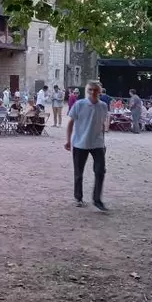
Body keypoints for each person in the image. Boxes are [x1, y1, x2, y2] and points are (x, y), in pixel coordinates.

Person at [65, 81, 109, 212]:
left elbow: (101, 125)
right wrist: (68, 140)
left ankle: (97, 199)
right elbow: (70, 123)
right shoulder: (79, 104)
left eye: (95, 90)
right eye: (90, 89)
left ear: (99, 91)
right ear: (87, 90)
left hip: (97, 144)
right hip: (80, 143)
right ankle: (78, 197)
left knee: (100, 171)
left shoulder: (103, 106)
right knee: (79, 173)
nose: (93, 92)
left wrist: (103, 142)